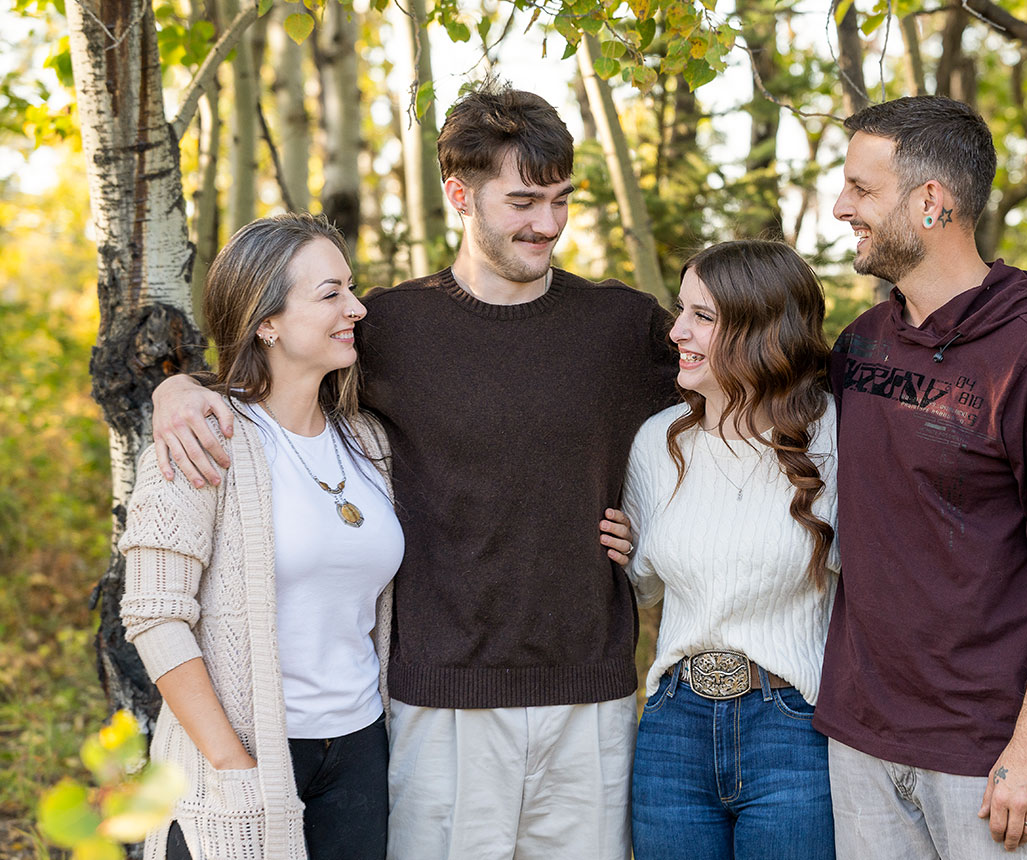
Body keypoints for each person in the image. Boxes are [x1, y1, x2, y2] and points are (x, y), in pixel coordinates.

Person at [147, 82, 675, 860]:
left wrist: (655, 532)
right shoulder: (384, 326)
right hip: (438, 702)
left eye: (562, 199)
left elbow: (740, 404)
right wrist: (177, 388)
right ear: (460, 194)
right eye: (523, 201)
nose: (548, 223)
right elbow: (273, 368)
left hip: (590, 698)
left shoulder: (622, 326)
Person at [817, 95, 1027, 858]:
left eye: (860, 188)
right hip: (862, 743)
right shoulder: (860, 344)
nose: (840, 207)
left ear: (930, 201)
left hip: (990, 760)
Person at [120, 213, 403, 860]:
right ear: (266, 322)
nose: (356, 308)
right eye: (330, 294)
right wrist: (232, 765)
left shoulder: (369, 442)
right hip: (241, 756)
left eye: (351, 287)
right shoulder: (200, 438)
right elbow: (155, 618)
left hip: (361, 750)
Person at [622, 240, 839, 860]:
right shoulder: (657, 442)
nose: (676, 331)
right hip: (673, 728)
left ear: (762, 331)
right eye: (681, 310)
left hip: (794, 727)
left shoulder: (832, 436)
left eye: (703, 316)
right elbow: (645, 589)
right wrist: (620, 548)